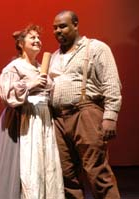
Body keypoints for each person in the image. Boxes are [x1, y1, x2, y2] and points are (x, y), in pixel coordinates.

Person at [49, 10, 122, 198]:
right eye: (55, 28)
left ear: (75, 24)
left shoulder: (96, 47)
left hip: (85, 112)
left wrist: (110, 117)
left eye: (63, 26)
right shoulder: (55, 56)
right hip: (58, 118)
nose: (58, 31)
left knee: (96, 171)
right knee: (66, 175)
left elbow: (111, 83)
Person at [0, 24, 64, 199]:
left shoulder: (42, 67)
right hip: (25, 120)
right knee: (29, 166)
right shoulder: (14, 67)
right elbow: (7, 95)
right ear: (20, 43)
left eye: (39, 38)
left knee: (45, 164)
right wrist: (31, 85)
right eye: (32, 38)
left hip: (44, 119)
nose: (37, 41)